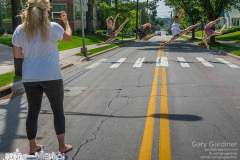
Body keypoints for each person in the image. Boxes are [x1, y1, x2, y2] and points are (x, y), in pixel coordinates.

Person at [12, 0, 73, 154]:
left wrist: (31, 54)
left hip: (30, 77)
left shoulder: (20, 30)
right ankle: (62, 146)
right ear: (46, 11)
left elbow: (18, 55)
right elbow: (68, 38)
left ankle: (32, 147)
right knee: (57, 110)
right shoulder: (53, 27)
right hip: (52, 75)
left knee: (33, 111)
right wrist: (66, 22)